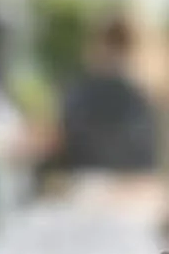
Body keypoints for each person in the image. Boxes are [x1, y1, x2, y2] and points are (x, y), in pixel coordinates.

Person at [50, 13, 159, 174]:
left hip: (85, 177)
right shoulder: (141, 97)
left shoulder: (82, 90)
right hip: (130, 180)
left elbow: (61, 138)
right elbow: (147, 154)